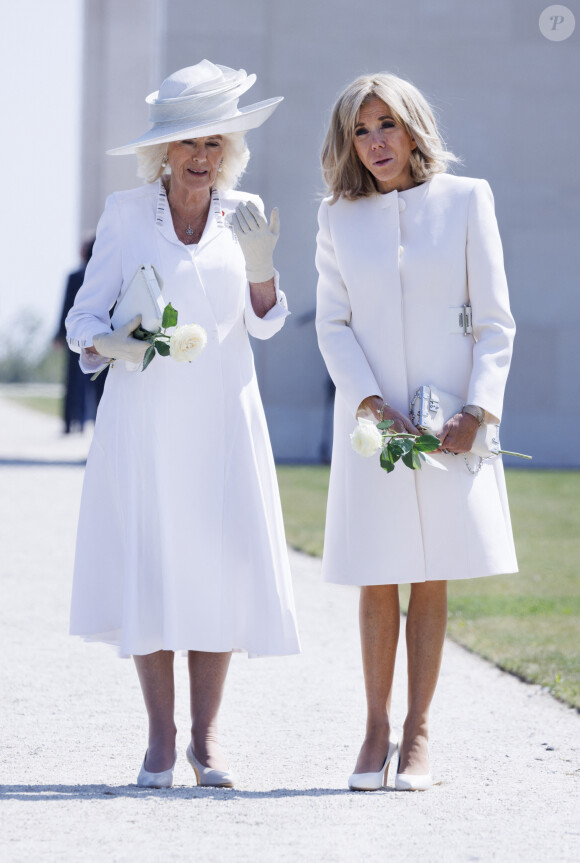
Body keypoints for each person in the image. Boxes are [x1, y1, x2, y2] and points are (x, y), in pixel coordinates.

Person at [66, 60, 300, 789]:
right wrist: (110, 341)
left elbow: (265, 323)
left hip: (224, 420)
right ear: (163, 150)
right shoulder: (126, 212)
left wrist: (263, 269)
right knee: (154, 568)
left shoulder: (246, 211)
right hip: (145, 421)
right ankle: (161, 740)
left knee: (218, 574)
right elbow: (82, 318)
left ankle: (209, 739)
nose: (203, 157)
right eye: (188, 143)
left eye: (214, 143)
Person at [315, 72, 517, 792]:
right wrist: (368, 401)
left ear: (413, 128)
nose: (375, 143)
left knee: (429, 575)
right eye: (361, 130)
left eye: (386, 126)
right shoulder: (337, 217)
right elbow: (333, 324)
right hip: (373, 426)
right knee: (377, 573)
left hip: (446, 426)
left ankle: (418, 731)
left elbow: (496, 322)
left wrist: (479, 410)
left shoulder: (467, 200)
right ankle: (373, 730)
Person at [54, 237, 105, 432]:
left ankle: (69, 423)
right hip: (100, 337)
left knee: (73, 380)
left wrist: (59, 334)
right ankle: (89, 423)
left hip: (74, 335)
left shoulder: (75, 276)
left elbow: (66, 307)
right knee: (97, 382)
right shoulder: (102, 276)